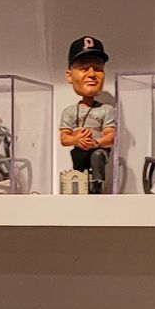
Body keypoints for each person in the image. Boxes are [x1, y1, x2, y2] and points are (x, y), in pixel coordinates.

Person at [59, 34, 116, 194]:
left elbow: (111, 137)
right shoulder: (69, 111)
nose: (92, 74)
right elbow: (64, 139)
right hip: (79, 152)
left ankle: (97, 184)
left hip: (98, 150)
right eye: (84, 68)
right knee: (77, 169)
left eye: (97, 68)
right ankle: (78, 185)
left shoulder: (107, 110)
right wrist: (76, 140)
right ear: (70, 76)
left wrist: (96, 143)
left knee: (97, 156)